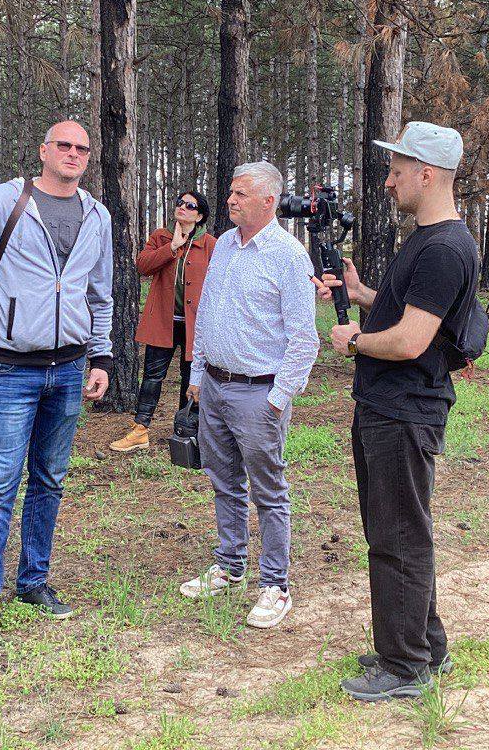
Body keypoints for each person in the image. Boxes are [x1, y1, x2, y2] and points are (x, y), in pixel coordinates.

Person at [0, 120, 114, 653]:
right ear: (44, 151)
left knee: (50, 479)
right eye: (64, 145)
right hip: (13, 368)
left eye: (82, 147)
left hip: (70, 369)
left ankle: (33, 583)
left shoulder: (98, 215)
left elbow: (98, 294)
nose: (74, 154)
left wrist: (100, 356)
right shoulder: (7, 200)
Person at [319, 121, 478, 701]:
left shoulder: (442, 247)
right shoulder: (427, 239)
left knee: (398, 537)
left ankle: (404, 666)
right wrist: (365, 296)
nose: (388, 182)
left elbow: (412, 341)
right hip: (389, 408)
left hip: (404, 412)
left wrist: (354, 339)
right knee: (399, 530)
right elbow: (413, 313)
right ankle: (423, 643)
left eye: (396, 171)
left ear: (427, 174)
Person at [180, 162, 320, 629]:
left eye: (241, 194)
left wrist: (279, 397)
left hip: (260, 394)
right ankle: (230, 566)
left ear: (268, 201)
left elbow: (304, 338)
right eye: (231, 193)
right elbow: (208, 312)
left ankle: (275, 585)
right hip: (215, 387)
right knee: (223, 481)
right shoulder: (223, 248)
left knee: (269, 491)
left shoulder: (287, 254)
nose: (230, 200)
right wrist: (198, 371)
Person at [110, 189, 216, 453]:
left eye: (190, 205)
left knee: (190, 377)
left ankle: (185, 431)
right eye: (179, 202)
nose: (182, 207)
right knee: (152, 376)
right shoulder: (161, 236)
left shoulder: (211, 244)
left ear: (199, 215)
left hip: (197, 325)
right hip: (163, 321)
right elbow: (143, 265)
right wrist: (172, 248)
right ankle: (140, 430)